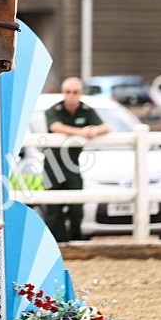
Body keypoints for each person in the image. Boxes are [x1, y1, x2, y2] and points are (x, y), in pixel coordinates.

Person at [42, 77, 109, 242]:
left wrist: (94, 130)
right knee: (53, 208)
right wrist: (82, 132)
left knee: (77, 205)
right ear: (63, 93)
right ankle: (56, 242)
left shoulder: (86, 110)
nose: (71, 96)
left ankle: (77, 240)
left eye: (75, 92)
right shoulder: (53, 109)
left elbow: (106, 127)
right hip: (53, 164)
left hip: (73, 164)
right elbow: (55, 127)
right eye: (68, 92)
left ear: (81, 93)